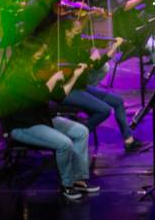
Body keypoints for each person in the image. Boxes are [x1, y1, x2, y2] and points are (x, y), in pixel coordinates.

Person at [0, 41, 97, 201]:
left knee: (81, 131)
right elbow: (41, 95)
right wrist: (54, 78)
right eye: (39, 55)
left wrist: (74, 76)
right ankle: (67, 185)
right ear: (28, 57)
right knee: (64, 144)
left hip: (41, 119)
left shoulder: (35, 72)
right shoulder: (17, 79)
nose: (43, 57)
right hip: (23, 126)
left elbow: (59, 96)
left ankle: (78, 179)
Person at [48, 18, 144, 153]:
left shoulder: (77, 47)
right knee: (104, 110)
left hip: (80, 87)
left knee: (118, 101)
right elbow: (69, 73)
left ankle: (129, 140)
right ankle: (78, 134)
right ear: (67, 33)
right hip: (67, 90)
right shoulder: (60, 50)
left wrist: (114, 48)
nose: (80, 35)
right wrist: (88, 58)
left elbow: (97, 65)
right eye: (77, 31)